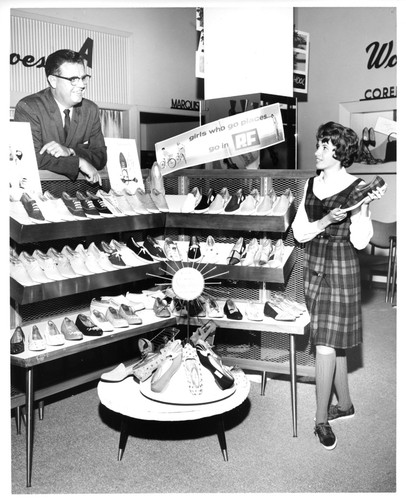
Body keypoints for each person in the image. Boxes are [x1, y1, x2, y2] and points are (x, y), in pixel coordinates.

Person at [292, 121, 386, 450]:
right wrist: (324, 222)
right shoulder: (309, 185)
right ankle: (344, 405)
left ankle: (321, 420)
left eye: (324, 146)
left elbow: (361, 242)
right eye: (318, 144)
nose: (316, 151)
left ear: (339, 151)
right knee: (332, 337)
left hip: (342, 268)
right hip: (314, 266)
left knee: (326, 344)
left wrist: (364, 208)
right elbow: (300, 233)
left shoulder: (357, 187)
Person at [14, 49, 107, 184]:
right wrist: (79, 162)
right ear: (53, 81)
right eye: (74, 79)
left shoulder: (90, 110)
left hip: (82, 190)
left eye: (83, 78)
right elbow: (29, 157)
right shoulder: (29, 107)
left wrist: (70, 151)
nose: (81, 85)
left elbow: (101, 157)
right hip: (43, 191)